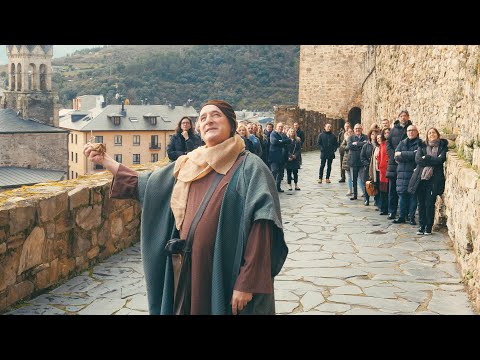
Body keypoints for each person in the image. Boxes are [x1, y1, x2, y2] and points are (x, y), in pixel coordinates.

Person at [84, 100, 288, 315]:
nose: (208, 120)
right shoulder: (187, 163)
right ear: (199, 129)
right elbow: (147, 185)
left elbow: (263, 225)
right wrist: (106, 161)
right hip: (188, 269)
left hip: (225, 271)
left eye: (216, 115)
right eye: (202, 118)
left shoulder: (250, 167)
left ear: (231, 123)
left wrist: (248, 282)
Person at [410, 128, 448, 235]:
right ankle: (421, 226)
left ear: (437, 134)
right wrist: (431, 159)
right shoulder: (422, 146)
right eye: (429, 133)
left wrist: (426, 157)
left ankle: (428, 227)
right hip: (421, 179)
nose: (431, 134)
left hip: (434, 180)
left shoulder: (442, 146)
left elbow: (440, 160)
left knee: (430, 204)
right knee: (421, 203)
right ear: (427, 135)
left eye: (433, 133)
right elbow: (418, 160)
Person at [386, 110, 412, 219]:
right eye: (401, 116)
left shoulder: (411, 129)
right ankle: (392, 211)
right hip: (394, 165)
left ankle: (405, 213)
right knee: (392, 189)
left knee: (406, 189)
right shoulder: (393, 130)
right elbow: (388, 145)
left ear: (408, 117)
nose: (403, 118)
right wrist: (394, 157)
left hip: (406, 164)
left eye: (405, 116)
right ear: (398, 117)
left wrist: (402, 157)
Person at [393, 124, 420, 225]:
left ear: (417, 132)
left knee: (413, 196)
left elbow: (417, 156)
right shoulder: (402, 143)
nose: (411, 132)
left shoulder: (420, 143)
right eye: (409, 131)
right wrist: (408, 154)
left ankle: (411, 217)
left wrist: (402, 154)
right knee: (402, 196)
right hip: (401, 174)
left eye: (413, 130)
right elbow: (396, 156)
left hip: (413, 174)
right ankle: (401, 216)